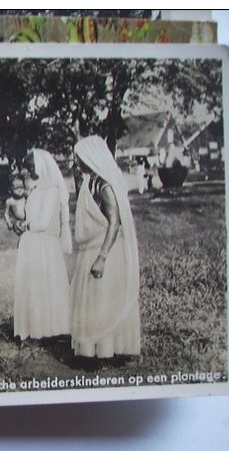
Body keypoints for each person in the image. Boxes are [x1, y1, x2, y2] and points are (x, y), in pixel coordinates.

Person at [70, 135, 141, 359]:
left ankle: (108, 351)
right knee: (91, 304)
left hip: (104, 251)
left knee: (104, 303)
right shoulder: (88, 183)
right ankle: (90, 350)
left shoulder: (105, 186)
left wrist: (102, 257)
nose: (76, 162)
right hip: (88, 249)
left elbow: (115, 222)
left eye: (79, 157)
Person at [13, 148, 72, 341]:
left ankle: (52, 329)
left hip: (44, 244)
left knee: (47, 286)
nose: (28, 172)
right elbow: (29, 215)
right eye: (27, 168)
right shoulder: (35, 189)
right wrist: (19, 223)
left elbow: (43, 222)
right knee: (33, 287)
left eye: (31, 167)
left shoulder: (52, 189)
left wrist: (27, 225)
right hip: (31, 242)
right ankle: (35, 327)